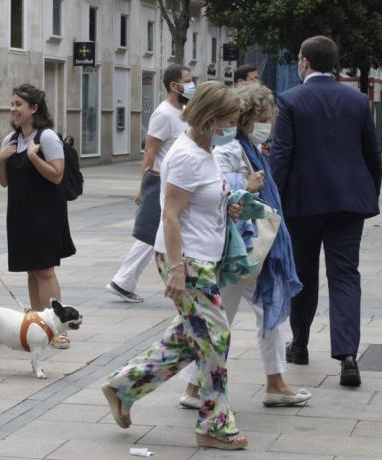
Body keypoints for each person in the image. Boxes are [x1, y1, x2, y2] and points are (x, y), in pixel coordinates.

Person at [102, 81, 248, 450]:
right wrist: (178, 269)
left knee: (189, 337)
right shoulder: (185, 155)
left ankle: (123, 386)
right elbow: (170, 216)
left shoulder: (205, 149)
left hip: (202, 256)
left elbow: (201, 200)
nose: (234, 126)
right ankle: (214, 423)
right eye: (230, 119)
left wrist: (226, 206)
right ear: (212, 118)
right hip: (187, 258)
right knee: (216, 337)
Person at [178, 84, 310, 409]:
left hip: (245, 248)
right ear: (248, 119)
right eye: (265, 118)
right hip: (238, 249)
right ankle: (199, 390)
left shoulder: (247, 147)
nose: (270, 125)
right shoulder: (231, 149)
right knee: (224, 319)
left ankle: (205, 389)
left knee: (245, 316)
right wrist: (245, 186)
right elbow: (215, 189)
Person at [270, 36, 382, 388]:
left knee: (302, 272)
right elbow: (372, 154)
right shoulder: (357, 100)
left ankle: (300, 344)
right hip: (349, 203)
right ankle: (348, 356)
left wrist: (273, 201)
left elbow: (282, 156)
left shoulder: (290, 100)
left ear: (303, 62)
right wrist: (368, 195)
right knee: (346, 275)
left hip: (303, 204)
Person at [0, 83, 76, 349]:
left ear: (34, 108)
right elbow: (3, 182)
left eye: (19, 104)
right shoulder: (10, 140)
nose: (14, 109)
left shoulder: (47, 137)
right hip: (20, 213)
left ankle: (59, 328)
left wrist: (33, 158)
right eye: (12, 104)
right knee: (31, 270)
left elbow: (57, 175)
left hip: (45, 213)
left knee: (45, 270)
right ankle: (39, 324)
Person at [105, 64, 192, 302]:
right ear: (174, 86)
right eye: (188, 80)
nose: (192, 84)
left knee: (154, 234)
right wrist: (143, 187)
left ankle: (124, 281)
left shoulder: (183, 111)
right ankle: (123, 280)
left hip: (173, 183)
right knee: (152, 234)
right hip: (161, 184)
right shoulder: (163, 114)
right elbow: (150, 151)